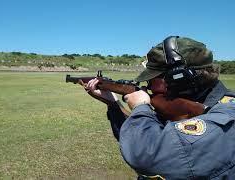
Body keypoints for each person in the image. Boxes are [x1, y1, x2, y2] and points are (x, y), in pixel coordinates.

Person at [85, 36, 235, 179]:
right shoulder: (178, 107)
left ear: (180, 78)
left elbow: (145, 155)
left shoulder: (228, 117)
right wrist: (113, 103)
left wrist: (140, 107)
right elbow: (138, 137)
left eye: (153, 79)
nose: (148, 85)